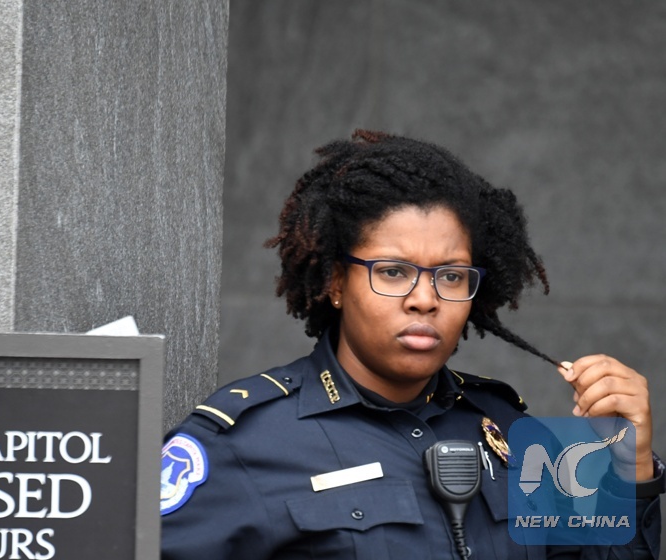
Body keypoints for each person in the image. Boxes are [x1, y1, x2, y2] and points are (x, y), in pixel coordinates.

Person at [160, 130, 663, 559]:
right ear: (336, 282)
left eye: (451, 276)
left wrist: (631, 465)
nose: (425, 299)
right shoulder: (242, 445)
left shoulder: (509, 430)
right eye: (393, 272)